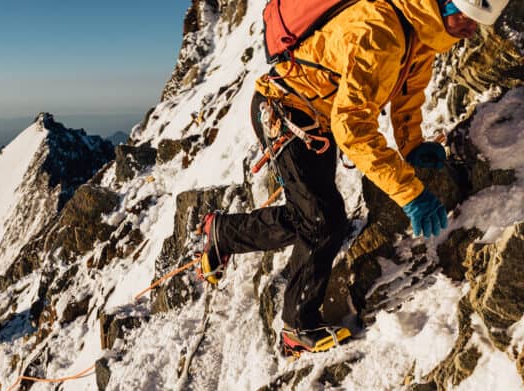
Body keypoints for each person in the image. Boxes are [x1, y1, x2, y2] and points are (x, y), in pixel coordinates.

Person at [199, 0, 508, 356]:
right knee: (322, 221)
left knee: (317, 217)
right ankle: (297, 326)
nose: (472, 30)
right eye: (468, 19)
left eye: (478, 24)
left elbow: (408, 94)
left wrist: (412, 145)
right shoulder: (381, 31)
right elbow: (354, 131)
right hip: (288, 110)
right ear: (447, 4)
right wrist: (410, 194)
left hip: (315, 114)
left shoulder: (426, 32)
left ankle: (223, 233)